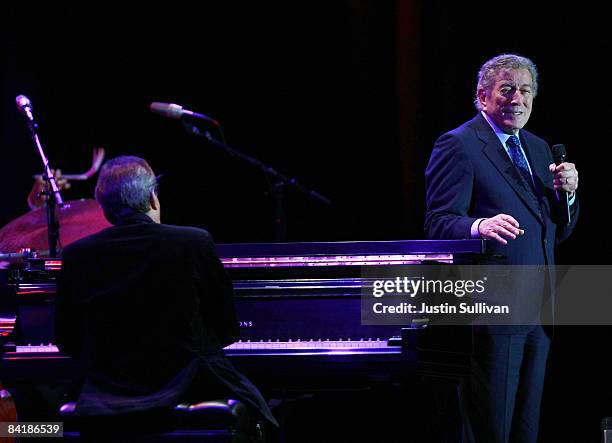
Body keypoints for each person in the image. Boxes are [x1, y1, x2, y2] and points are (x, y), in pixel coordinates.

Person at [55, 155, 278, 434]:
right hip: (189, 384)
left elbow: (67, 340)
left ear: (104, 208)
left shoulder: (77, 255)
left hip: (105, 392)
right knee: (268, 414)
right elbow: (226, 329)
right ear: (152, 198)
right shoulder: (193, 241)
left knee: (35, 422)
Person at [424, 54, 579, 442]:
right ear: (482, 97)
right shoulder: (458, 145)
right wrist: (479, 225)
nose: (517, 99)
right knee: (491, 429)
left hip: (539, 310)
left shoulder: (539, 148)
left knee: (525, 430)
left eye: (526, 90)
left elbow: (556, 232)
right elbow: (438, 223)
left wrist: (570, 197)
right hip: (491, 314)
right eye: (507, 89)